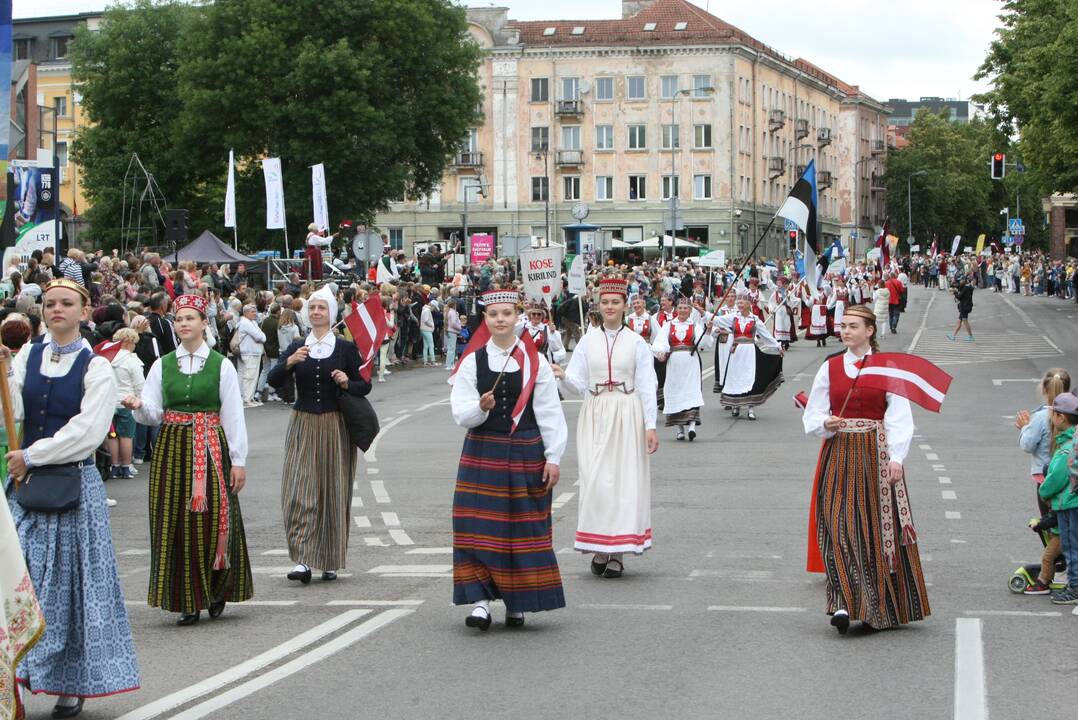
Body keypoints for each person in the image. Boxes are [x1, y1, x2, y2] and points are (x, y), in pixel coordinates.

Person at [3, 278, 140, 717]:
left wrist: (33, 454)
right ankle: (14, 680)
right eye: (48, 304)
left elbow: (86, 432)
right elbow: (17, 412)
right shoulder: (29, 354)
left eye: (66, 303)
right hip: (26, 486)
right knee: (16, 582)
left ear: (84, 312)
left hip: (73, 486)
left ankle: (71, 682)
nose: (55, 309)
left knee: (75, 587)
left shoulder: (95, 366)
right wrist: (5, 376)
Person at [125, 293, 252, 626]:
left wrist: (237, 460)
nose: (183, 323)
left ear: (202, 323)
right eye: (179, 318)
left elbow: (233, 415)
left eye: (190, 318)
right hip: (172, 449)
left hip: (210, 445)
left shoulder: (220, 365)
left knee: (213, 519)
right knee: (176, 521)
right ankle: (187, 598)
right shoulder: (162, 365)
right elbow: (154, 413)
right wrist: (139, 407)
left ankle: (216, 589)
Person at [803, 304, 927, 634]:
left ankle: (873, 604)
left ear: (869, 331)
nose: (845, 331)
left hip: (875, 452)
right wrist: (825, 422)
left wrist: (897, 458)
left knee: (870, 530)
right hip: (840, 452)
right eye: (843, 325)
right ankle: (842, 601)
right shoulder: (829, 368)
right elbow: (812, 415)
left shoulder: (887, 368)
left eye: (852, 326)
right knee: (836, 524)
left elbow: (901, 418)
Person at [449, 289, 567, 630]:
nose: (500, 319)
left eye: (506, 313)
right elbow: (461, 412)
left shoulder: (535, 361)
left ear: (517, 317)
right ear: (485, 320)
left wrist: (553, 457)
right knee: (476, 529)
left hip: (526, 451)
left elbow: (549, 411)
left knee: (522, 530)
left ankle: (518, 603)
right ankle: (481, 602)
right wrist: (479, 409)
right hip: (483, 448)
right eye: (493, 314)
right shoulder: (472, 361)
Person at [555, 277, 659, 578]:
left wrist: (650, 425)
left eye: (615, 302)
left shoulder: (637, 342)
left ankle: (617, 553)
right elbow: (576, 383)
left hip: (627, 411)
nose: (610, 307)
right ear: (597, 306)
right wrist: (562, 374)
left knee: (624, 481)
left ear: (625, 305)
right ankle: (600, 545)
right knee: (596, 480)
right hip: (596, 412)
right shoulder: (587, 341)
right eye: (605, 302)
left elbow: (646, 385)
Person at [268, 286, 370, 585]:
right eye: (311, 308)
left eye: (321, 308)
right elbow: (274, 380)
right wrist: (290, 362)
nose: (316, 312)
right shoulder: (299, 345)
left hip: (335, 424)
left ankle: (330, 560)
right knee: (299, 491)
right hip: (303, 422)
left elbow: (364, 385)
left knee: (334, 491)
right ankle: (302, 559)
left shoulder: (344, 348)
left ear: (331, 314)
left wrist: (346, 381)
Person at [651, 296, 713, 440]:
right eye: (680, 308)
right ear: (677, 309)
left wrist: (708, 331)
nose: (683, 310)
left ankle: (691, 426)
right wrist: (660, 352)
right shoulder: (669, 325)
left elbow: (703, 343)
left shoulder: (694, 325)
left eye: (686, 308)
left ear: (690, 310)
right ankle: (679, 429)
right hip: (674, 364)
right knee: (675, 392)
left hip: (691, 363)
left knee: (692, 391)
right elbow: (661, 342)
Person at [713, 295, 784, 421]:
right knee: (736, 377)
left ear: (748, 304)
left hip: (750, 352)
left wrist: (777, 347)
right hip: (736, 352)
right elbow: (718, 320)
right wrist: (703, 313)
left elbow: (765, 335)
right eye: (738, 302)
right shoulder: (733, 317)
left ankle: (751, 408)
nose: (739, 305)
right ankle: (736, 405)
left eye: (742, 302)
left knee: (750, 378)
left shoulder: (755, 319)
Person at [1039, 392, 1078, 605]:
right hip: (1070, 502)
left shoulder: (1067, 447)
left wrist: (1044, 491)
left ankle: (1075, 587)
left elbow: (1058, 477)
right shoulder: (1071, 440)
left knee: (1071, 546)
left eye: (1054, 413)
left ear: (1061, 417)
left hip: (1070, 502)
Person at [104, 328, 145, 479]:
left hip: (110, 402)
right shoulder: (132, 361)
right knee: (127, 436)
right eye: (134, 343)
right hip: (127, 402)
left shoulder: (107, 358)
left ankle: (114, 466)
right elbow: (140, 384)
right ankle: (126, 466)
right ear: (129, 343)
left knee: (113, 436)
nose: (135, 346)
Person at [236, 304, 266, 407]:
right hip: (249, 352)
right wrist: (261, 335)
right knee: (249, 376)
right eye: (252, 311)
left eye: (255, 311)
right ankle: (247, 399)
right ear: (246, 313)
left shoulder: (251, 322)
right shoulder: (246, 323)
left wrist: (261, 335)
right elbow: (260, 337)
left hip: (249, 352)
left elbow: (262, 335)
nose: (255, 313)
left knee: (246, 375)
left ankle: (248, 397)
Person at [949, 277, 974, 341]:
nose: (960, 282)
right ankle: (953, 336)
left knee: (965, 321)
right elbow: (958, 287)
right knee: (959, 321)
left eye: (961, 281)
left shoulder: (965, 289)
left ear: (964, 281)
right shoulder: (966, 287)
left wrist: (954, 292)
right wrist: (953, 285)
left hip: (964, 307)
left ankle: (971, 336)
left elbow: (959, 297)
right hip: (964, 307)